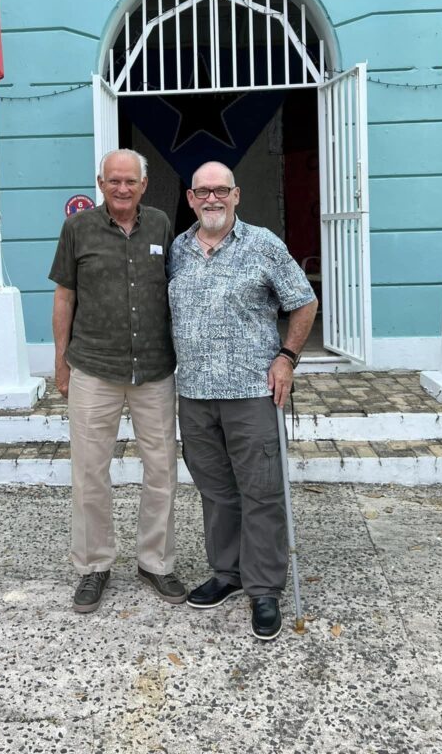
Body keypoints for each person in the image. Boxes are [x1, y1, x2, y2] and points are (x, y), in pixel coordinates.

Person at [168, 161, 317, 641]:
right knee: (216, 492)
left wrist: (287, 357)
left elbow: (303, 299)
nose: (212, 199)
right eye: (202, 191)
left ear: (236, 195)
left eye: (221, 191)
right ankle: (228, 574)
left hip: (253, 393)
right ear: (191, 198)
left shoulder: (263, 244)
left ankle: (265, 589)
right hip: (193, 394)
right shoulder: (178, 249)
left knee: (261, 493)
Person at [49, 148, 186, 613]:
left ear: (144, 185)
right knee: (90, 472)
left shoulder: (163, 225)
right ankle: (93, 566)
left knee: (163, 468)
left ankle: (156, 562)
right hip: (94, 367)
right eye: (114, 181)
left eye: (130, 181)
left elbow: (177, 289)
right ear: (101, 183)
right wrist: (61, 360)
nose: (122, 188)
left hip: (153, 369)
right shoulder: (77, 228)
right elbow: (64, 296)